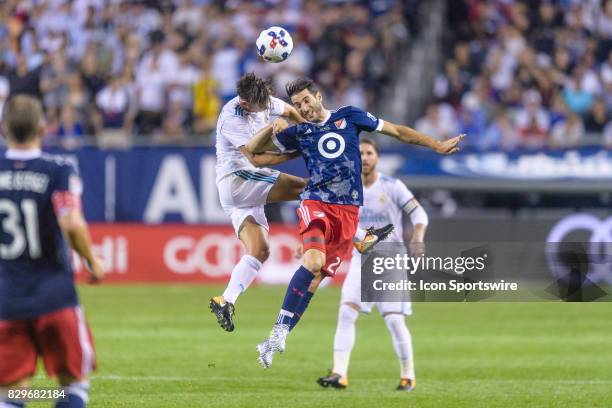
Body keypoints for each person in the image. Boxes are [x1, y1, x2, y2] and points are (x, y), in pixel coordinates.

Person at [246, 77, 463, 368]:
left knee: (316, 279)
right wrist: (273, 126)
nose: (303, 108)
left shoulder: (349, 115)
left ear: (318, 96)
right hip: (316, 202)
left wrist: (435, 145)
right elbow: (254, 155)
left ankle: (277, 334)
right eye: (297, 105)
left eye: (306, 101)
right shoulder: (300, 132)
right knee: (311, 264)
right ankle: (278, 332)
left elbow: (397, 131)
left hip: (348, 211)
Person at [210, 73, 391, 332]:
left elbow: (295, 114)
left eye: (267, 103)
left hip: (241, 196)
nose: (266, 108)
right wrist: (300, 148)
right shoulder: (231, 118)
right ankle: (362, 237)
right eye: (260, 107)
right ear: (245, 103)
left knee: (260, 251)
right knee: (313, 188)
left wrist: (309, 133)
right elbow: (255, 158)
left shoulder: (266, 101)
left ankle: (225, 299)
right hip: (237, 179)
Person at [0, 95, 105, 408]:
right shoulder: (57, 169)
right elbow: (71, 223)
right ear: (43, 128)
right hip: (54, 295)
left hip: (7, 299)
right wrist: (91, 261)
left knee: (12, 393)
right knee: (73, 384)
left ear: (4, 128)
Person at [317, 138, 428, 392]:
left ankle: (408, 375)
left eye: (369, 153)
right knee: (346, 312)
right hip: (361, 258)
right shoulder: (345, 190)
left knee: (394, 320)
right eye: (361, 153)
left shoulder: (392, 186)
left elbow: (419, 214)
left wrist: (418, 238)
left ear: (377, 157)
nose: (365, 157)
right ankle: (339, 373)